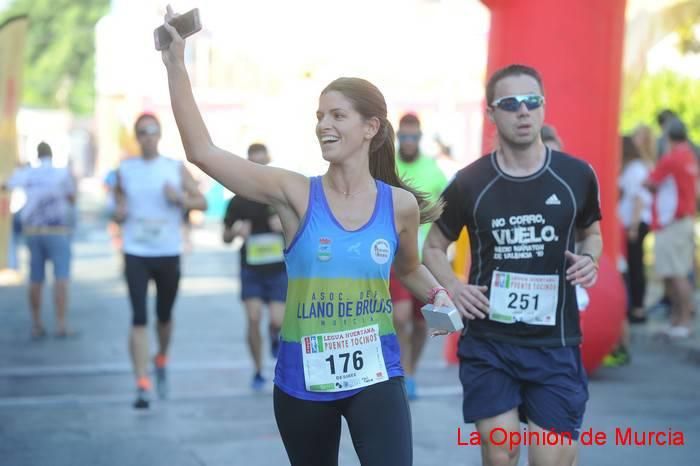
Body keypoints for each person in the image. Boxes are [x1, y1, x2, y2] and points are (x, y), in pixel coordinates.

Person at [160, 8, 456, 465]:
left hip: (376, 369)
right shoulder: (295, 193)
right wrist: (176, 63)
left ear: (370, 128)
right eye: (319, 115)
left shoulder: (399, 205)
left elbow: (409, 268)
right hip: (304, 375)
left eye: (338, 115)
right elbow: (202, 152)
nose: (323, 125)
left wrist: (439, 295)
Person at [423, 64, 602, 466]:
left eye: (531, 102)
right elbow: (433, 246)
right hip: (490, 344)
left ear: (543, 107)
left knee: (550, 460)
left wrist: (591, 259)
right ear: (491, 113)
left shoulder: (576, 176)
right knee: (501, 453)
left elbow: (592, 232)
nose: (523, 111)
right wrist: (452, 286)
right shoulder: (470, 182)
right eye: (510, 104)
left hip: (554, 345)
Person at [113, 112, 207, 409]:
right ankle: (142, 382)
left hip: (167, 252)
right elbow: (117, 202)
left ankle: (162, 357)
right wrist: (119, 210)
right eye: (143, 132)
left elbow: (201, 202)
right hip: (136, 252)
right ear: (137, 136)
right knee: (139, 317)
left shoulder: (174, 168)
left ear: (160, 134)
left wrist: (179, 199)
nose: (148, 136)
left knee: (163, 317)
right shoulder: (125, 170)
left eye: (153, 131)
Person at [391, 113, 449, 400]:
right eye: (404, 137)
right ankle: (404, 371)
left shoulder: (433, 170)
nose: (409, 142)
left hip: (426, 256)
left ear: (420, 138)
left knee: (423, 321)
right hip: (397, 255)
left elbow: (447, 212)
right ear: (398, 136)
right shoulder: (387, 166)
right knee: (400, 318)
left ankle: (411, 370)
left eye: (414, 137)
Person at [223, 143, 287, 391]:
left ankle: (274, 335)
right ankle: (258, 369)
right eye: (254, 164)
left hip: (278, 267)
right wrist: (235, 231)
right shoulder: (238, 200)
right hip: (250, 267)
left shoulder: (279, 197)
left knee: (277, 320)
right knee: (253, 317)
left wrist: (283, 225)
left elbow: (301, 227)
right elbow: (225, 237)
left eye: (263, 163)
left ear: (268, 161)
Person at [5, 143, 77, 339]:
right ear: (52, 155)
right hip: (57, 230)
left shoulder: (27, 173)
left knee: (35, 279)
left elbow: (6, 185)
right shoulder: (61, 173)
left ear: (37, 155)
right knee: (61, 278)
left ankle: (37, 324)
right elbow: (72, 198)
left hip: (33, 230)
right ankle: (61, 324)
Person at [645, 118, 698, 339]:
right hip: (683, 220)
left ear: (668, 137)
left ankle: (683, 321)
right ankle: (678, 320)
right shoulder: (689, 156)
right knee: (676, 273)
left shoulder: (672, 158)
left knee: (676, 274)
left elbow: (650, 182)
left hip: (672, 222)